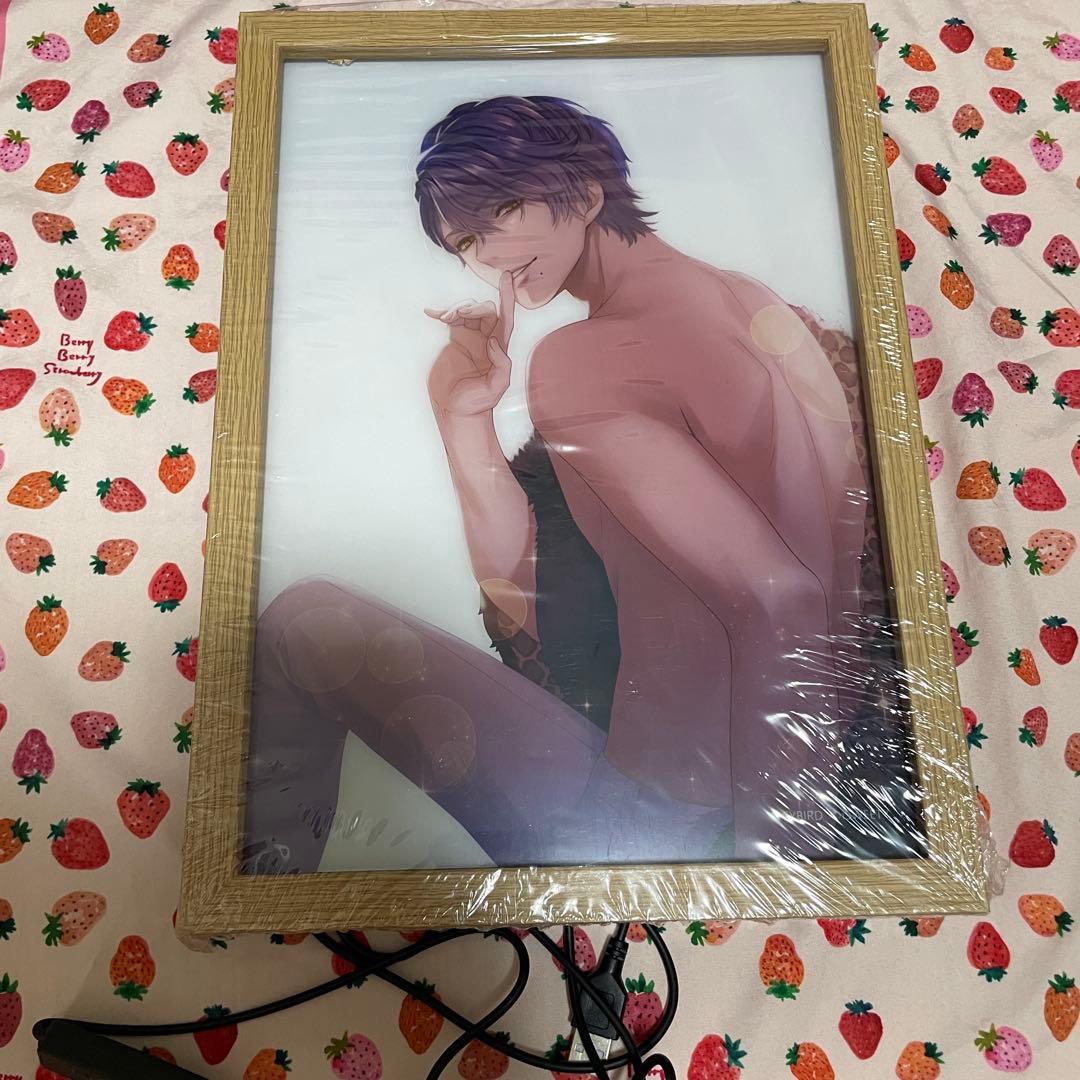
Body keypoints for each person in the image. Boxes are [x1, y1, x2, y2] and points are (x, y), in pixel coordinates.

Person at [243, 96, 915, 875]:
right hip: (770, 786)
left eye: (502, 209)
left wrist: (770, 869)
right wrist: (463, 417)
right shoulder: (760, 309)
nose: (489, 255)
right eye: (465, 241)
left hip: (677, 820)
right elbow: (533, 605)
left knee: (303, 624)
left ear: (587, 192)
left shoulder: (585, 357)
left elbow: (781, 602)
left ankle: (251, 907)